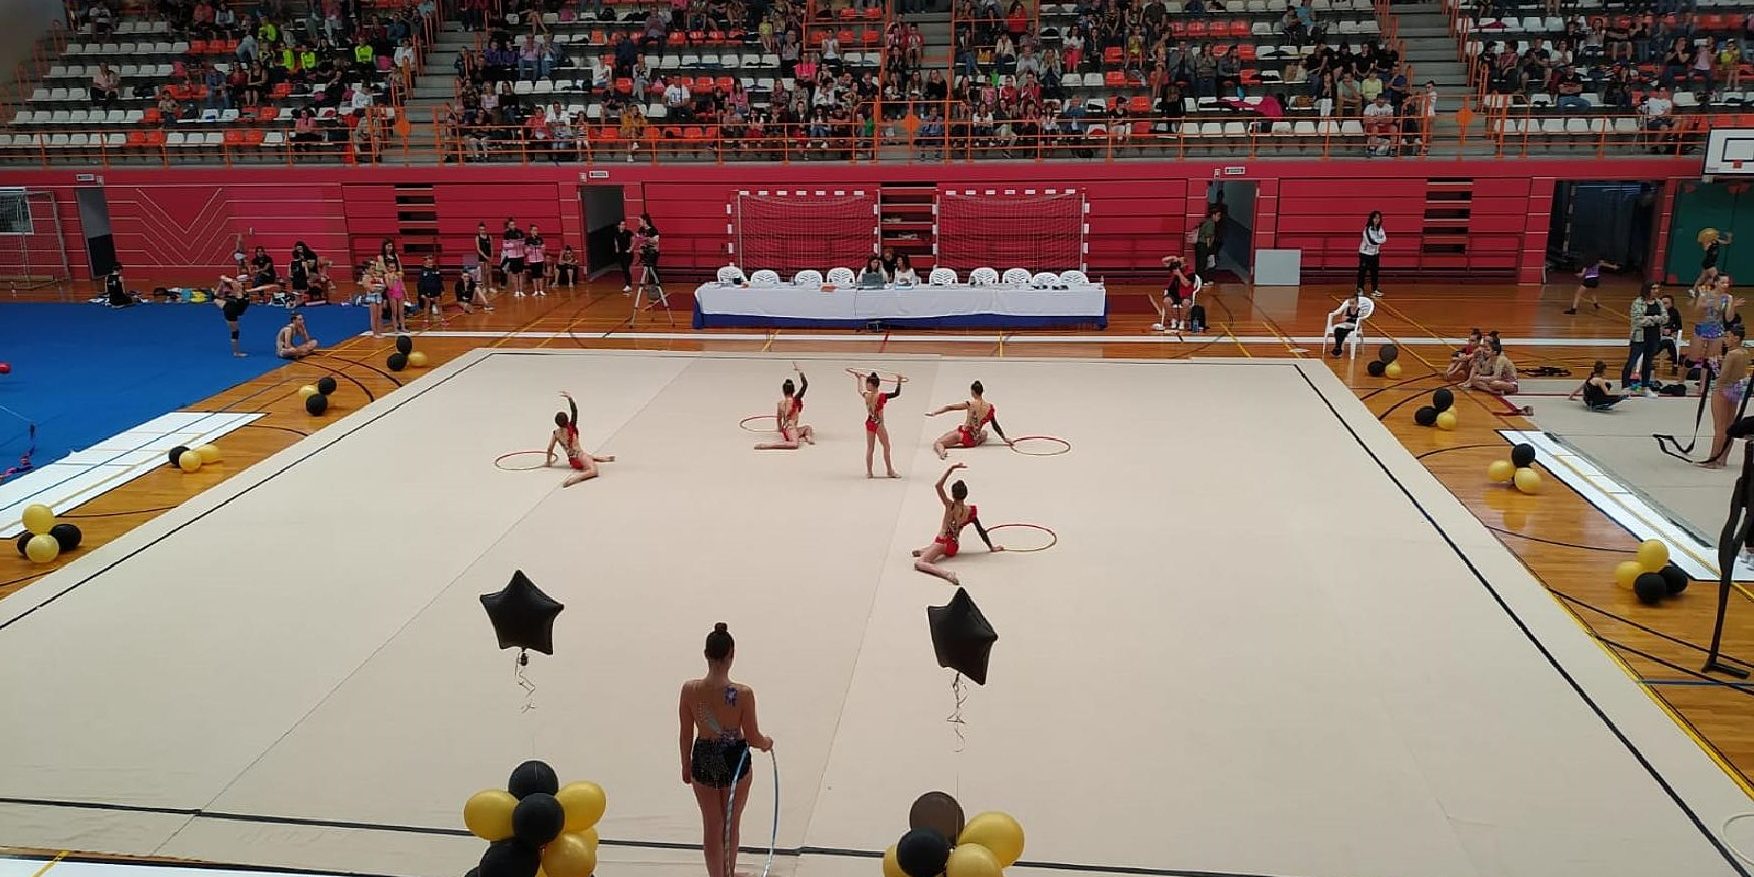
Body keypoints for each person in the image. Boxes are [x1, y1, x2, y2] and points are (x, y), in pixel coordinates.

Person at [678, 623, 772, 877]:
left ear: (706, 654)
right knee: (730, 823)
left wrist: (686, 764)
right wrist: (766, 743)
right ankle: (728, 873)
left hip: (704, 757)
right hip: (734, 760)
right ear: (732, 654)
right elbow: (752, 737)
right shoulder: (741, 694)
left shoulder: (689, 690)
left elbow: (686, 733)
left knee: (712, 824)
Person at [911, 463, 1001, 584]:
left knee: (919, 563)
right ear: (966, 494)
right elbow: (981, 530)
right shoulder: (971, 511)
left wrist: (950, 470)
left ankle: (947, 574)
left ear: (953, 494)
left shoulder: (950, 506)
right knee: (928, 549)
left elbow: (938, 486)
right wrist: (992, 547)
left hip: (942, 542)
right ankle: (926, 550)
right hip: (954, 546)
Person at [1702, 324, 1750, 468]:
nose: (1724, 339)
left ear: (1736, 338)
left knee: (1720, 427)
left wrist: (1715, 365)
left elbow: (1723, 377)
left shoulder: (1731, 354)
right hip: (1736, 389)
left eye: (1727, 337)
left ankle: (1713, 460)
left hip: (1723, 389)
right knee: (1730, 426)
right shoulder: (1744, 352)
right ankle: (1723, 459)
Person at [546, 391, 615, 486]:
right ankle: (574, 479)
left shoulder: (556, 433)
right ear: (567, 420)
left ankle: (600, 458)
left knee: (588, 457)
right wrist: (570, 399)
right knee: (594, 471)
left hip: (573, 461)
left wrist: (548, 462)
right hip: (580, 456)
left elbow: (550, 449)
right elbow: (574, 412)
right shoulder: (571, 427)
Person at [927, 381, 1011, 459]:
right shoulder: (990, 407)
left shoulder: (970, 404)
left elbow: (949, 407)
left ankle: (942, 453)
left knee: (938, 443)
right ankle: (977, 439)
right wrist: (1004, 438)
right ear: (982, 391)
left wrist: (934, 413)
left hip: (964, 436)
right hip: (974, 439)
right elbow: (995, 425)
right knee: (984, 433)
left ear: (973, 392)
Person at [753, 366, 814, 450]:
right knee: (794, 444)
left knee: (808, 428)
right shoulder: (795, 399)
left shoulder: (780, 403)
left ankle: (807, 437)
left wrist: (779, 429)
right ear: (793, 390)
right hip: (791, 428)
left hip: (788, 428)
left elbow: (778, 419)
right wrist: (801, 372)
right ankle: (768, 445)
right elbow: (805, 385)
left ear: (783, 391)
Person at [1623, 282, 1666, 394]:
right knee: (1631, 361)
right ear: (1647, 289)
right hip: (1640, 337)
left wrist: (1652, 319)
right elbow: (1638, 320)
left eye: (1658, 288)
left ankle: (1645, 387)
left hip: (1654, 336)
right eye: (1654, 288)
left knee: (1648, 362)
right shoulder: (1638, 303)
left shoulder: (1659, 303)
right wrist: (1655, 319)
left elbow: (1665, 318)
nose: (1657, 291)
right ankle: (1625, 386)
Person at [859, 371, 901, 478]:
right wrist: (899, 382)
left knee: (870, 448)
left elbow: (859, 390)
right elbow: (896, 393)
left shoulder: (867, 395)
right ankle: (889, 471)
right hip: (878, 424)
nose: (866, 385)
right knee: (886, 446)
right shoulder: (881, 396)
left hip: (869, 422)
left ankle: (869, 472)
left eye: (867, 383)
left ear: (872, 385)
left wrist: (859, 379)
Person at [215, 273, 266, 357]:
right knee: (235, 332)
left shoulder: (244, 291)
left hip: (233, 308)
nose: (241, 285)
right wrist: (224, 279)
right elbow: (226, 279)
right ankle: (236, 353)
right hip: (231, 311)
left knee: (216, 298)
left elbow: (259, 288)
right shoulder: (238, 291)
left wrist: (272, 287)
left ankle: (217, 294)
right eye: (240, 284)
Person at [1152, 255, 1199, 333]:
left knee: (1186, 303)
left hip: (1185, 294)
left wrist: (1179, 274)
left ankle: (1182, 321)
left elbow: (1186, 284)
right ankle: (1173, 320)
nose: (1178, 264)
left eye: (1180, 263)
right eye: (1178, 262)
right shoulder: (1174, 268)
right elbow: (1164, 260)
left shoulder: (1191, 273)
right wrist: (1173, 257)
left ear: (1185, 264)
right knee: (1166, 301)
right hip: (1173, 294)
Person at [1327, 291, 1367, 357]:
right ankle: (1338, 348)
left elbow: (1359, 322)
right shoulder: (1347, 309)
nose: (1351, 305)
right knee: (1337, 330)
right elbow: (1343, 318)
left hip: (1355, 326)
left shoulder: (1360, 310)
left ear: (1357, 303)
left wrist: (1349, 318)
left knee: (1342, 331)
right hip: (1346, 325)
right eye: (1349, 303)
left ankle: (1338, 349)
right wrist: (1351, 318)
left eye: (1353, 303)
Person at [1357, 211, 1386, 298]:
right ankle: (1360, 289)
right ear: (1371, 219)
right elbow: (1370, 242)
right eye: (1375, 218)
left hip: (1375, 254)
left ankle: (1374, 289)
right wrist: (1378, 240)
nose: (1377, 220)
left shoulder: (1380, 229)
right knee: (1362, 272)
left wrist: (1378, 240)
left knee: (1375, 272)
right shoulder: (1367, 229)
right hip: (1365, 254)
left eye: (1378, 218)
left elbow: (1384, 239)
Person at [501, 218, 527, 298]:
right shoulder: (506, 234)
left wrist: (520, 244)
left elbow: (524, 242)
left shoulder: (520, 232)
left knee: (520, 273)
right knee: (515, 274)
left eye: (514, 224)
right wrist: (512, 245)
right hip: (512, 256)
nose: (513, 226)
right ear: (508, 226)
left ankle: (521, 290)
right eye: (511, 225)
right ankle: (516, 290)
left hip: (520, 255)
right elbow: (504, 245)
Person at [417, 255, 446, 326]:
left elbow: (440, 280)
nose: (431, 264)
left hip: (436, 290)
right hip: (427, 291)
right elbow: (420, 283)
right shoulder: (422, 271)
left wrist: (442, 289)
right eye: (429, 263)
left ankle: (443, 320)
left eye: (431, 263)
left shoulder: (436, 270)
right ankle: (425, 321)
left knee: (438, 305)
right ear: (425, 263)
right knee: (427, 305)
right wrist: (421, 293)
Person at [475, 222, 498, 296]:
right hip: (482, 257)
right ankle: (484, 287)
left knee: (489, 272)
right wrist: (485, 256)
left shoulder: (489, 237)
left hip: (489, 257)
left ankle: (490, 287)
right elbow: (478, 249)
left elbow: (491, 247)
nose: (483, 231)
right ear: (479, 230)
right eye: (481, 230)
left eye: (484, 229)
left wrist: (491, 256)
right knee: (483, 273)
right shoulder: (477, 237)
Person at [526, 224, 548, 297]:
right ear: (531, 231)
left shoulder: (540, 239)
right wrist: (530, 248)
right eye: (534, 230)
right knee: (534, 275)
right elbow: (526, 251)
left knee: (540, 275)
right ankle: (535, 290)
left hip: (540, 259)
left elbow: (544, 250)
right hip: (532, 260)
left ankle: (541, 290)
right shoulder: (528, 240)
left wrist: (541, 248)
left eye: (536, 230)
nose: (536, 231)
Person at [614, 218, 635, 293]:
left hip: (628, 253)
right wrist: (616, 248)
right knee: (624, 269)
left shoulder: (628, 232)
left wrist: (631, 248)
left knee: (626, 267)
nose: (623, 226)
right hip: (621, 253)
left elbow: (634, 240)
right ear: (618, 226)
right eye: (622, 225)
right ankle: (628, 284)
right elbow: (616, 240)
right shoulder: (616, 233)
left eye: (624, 224)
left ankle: (628, 285)